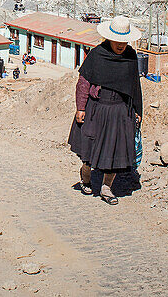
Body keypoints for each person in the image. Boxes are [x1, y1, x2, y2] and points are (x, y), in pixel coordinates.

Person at [68, 16, 143, 205]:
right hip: (97, 108)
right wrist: (81, 107)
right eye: (117, 41)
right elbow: (83, 83)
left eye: (124, 41)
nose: (121, 45)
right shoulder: (97, 55)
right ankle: (86, 179)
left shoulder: (130, 57)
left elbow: (135, 85)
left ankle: (106, 188)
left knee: (114, 152)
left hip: (120, 111)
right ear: (109, 38)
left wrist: (137, 110)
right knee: (89, 153)